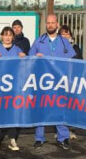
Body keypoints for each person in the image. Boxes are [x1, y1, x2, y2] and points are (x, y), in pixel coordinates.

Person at [28, 14, 76, 150]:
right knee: (41, 108)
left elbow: (71, 62)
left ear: (57, 24)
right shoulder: (39, 41)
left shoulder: (64, 42)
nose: (50, 25)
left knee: (60, 109)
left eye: (52, 23)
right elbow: (29, 60)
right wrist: (35, 57)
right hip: (42, 81)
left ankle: (63, 138)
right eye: (48, 23)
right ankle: (39, 138)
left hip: (60, 81)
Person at [0, 27, 25, 151]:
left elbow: (26, 67)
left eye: (10, 35)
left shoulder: (17, 50)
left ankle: (12, 139)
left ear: (13, 37)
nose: (8, 37)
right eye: (5, 35)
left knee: (12, 113)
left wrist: (24, 58)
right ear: (1, 37)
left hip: (13, 87)